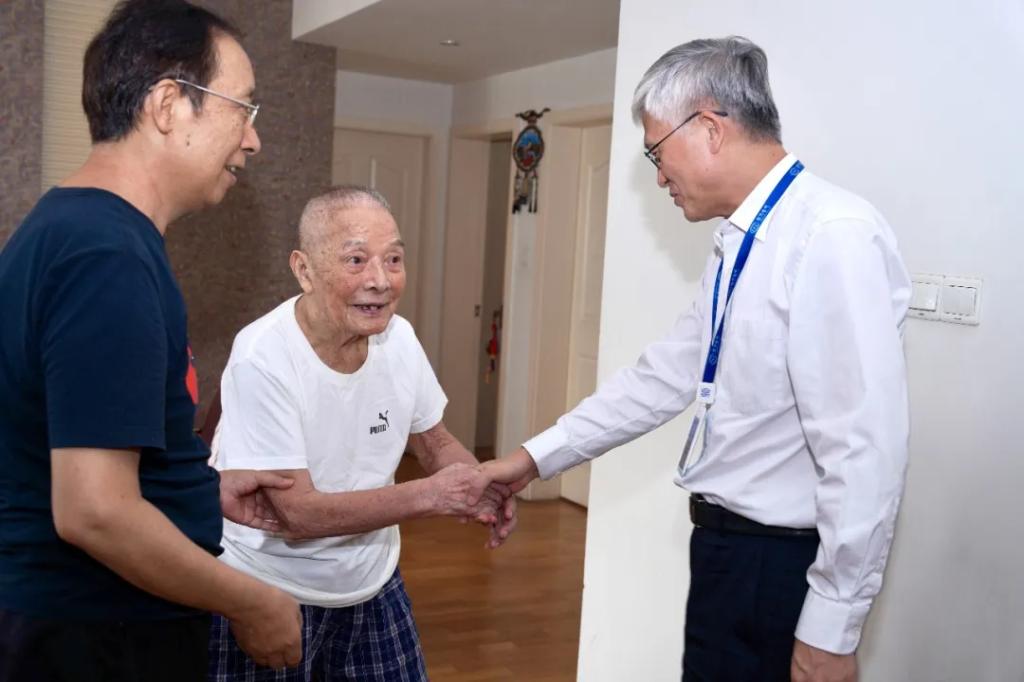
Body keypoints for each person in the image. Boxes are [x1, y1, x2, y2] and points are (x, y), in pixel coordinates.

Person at [483, 36, 910, 682]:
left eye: (657, 152)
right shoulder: (742, 240)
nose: (659, 176)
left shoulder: (830, 236)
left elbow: (864, 449)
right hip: (727, 553)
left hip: (780, 568)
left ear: (709, 128)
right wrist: (531, 460)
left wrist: (832, 627)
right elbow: (663, 377)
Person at [0, 1, 304, 680]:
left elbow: (75, 446)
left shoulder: (75, 229)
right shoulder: (105, 256)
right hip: (96, 638)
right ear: (169, 105)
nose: (253, 140)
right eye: (242, 108)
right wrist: (253, 602)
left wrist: (198, 488)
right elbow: (95, 511)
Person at [207, 186, 517, 681]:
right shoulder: (262, 355)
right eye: (356, 260)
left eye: (393, 259)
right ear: (304, 270)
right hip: (266, 586)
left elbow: (433, 441)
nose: (380, 280)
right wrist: (434, 495)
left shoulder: (400, 338)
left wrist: (481, 485)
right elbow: (297, 514)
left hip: (372, 577)